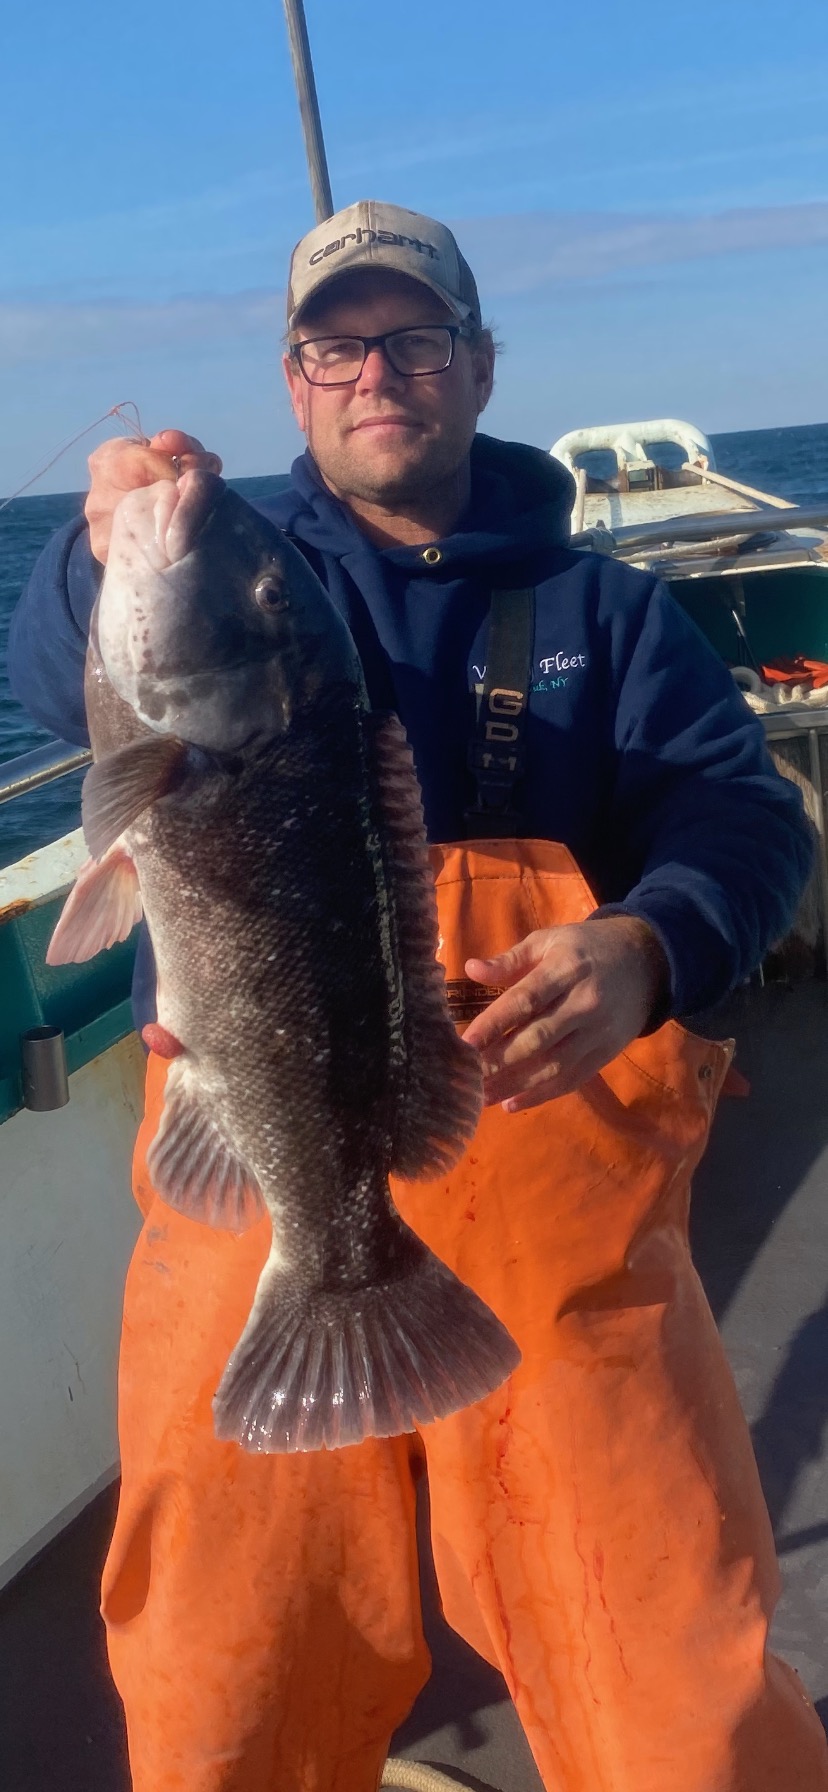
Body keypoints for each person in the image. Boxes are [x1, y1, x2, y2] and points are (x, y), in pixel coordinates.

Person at [8, 199, 828, 1792]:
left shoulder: (614, 617)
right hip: (256, 1193)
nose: (376, 369)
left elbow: (741, 825)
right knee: (221, 1662)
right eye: (336, 343)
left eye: (417, 338)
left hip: (557, 1205)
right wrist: (96, 549)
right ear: (296, 383)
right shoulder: (249, 571)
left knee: (666, 1668)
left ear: (478, 369)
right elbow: (70, 678)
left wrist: (648, 946)